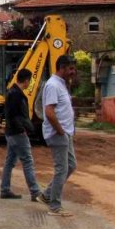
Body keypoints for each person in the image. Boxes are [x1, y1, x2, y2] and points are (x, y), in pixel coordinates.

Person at [37, 54, 77, 217]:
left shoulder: (61, 85)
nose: (73, 72)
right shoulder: (53, 85)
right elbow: (49, 112)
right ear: (61, 68)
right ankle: (55, 206)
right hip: (58, 134)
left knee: (71, 165)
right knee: (61, 169)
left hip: (65, 133)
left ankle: (47, 195)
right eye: (71, 68)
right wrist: (60, 131)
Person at [0, 69, 43, 201]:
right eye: (30, 81)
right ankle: (35, 192)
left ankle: (5, 189)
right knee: (27, 161)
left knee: (10, 162)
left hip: (11, 133)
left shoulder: (12, 92)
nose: (30, 83)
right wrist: (22, 129)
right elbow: (14, 115)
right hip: (17, 133)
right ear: (26, 80)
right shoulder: (16, 95)